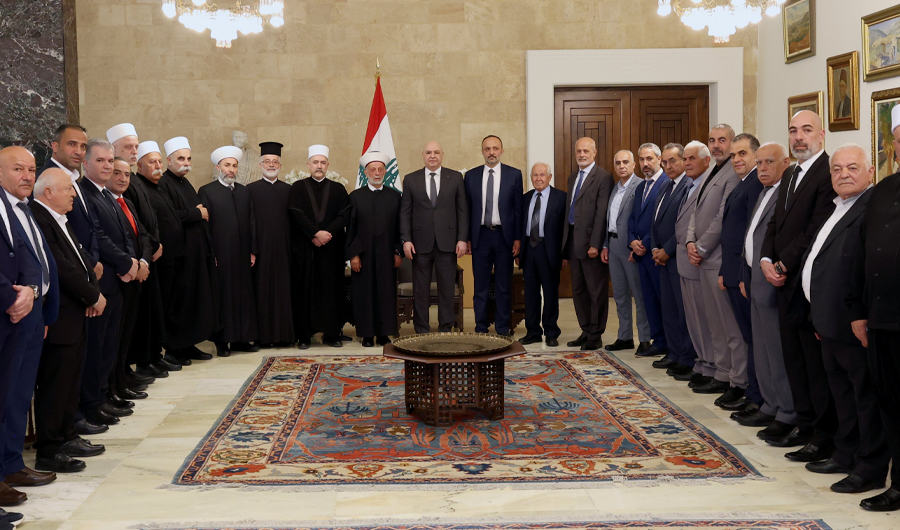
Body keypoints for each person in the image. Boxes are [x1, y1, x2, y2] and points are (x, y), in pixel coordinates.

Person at [801, 144, 887, 494]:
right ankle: (845, 453)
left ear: (870, 172)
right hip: (828, 319)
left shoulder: (872, 208)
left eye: (852, 167)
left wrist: (858, 315)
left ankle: (869, 467)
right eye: (836, 169)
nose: (843, 174)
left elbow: (870, 268)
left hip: (853, 322)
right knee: (842, 394)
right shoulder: (837, 206)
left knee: (865, 398)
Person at [760, 110, 838, 459]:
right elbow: (775, 222)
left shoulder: (827, 172)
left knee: (813, 365)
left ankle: (822, 435)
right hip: (782, 283)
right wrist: (766, 258)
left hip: (806, 283)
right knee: (794, 359)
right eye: (793, 131)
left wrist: (783, 263)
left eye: (807, 130)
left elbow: (815, 229)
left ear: (821, 135)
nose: (799, 137)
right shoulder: (790, 173)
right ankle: (804, 425)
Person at [31, 169, 105, 474]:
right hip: (60, 315)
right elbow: (60, 267)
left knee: (70, 380)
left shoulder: (58, 218)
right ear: (49, 192)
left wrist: (92, 288)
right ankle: (49, 449)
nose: (74, 194)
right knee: (55, 384)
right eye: (68, 189)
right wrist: (92, 295)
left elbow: (80, 258)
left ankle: (67, 435)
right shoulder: (39, 217)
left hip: (75, 313)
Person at [0, 147, 58, 506]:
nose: (27, 176)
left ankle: (12, 464)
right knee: (4, 397)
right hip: (10, 314)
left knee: (20, 396)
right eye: (18, 169)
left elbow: (35, 259)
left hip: (32, 315)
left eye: (32, 169)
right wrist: (13, 297)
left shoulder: (25, 208)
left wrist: (38, 297)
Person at [733, 143, 798, 445]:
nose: (762, 168)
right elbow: (751, 239)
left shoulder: (786, 194)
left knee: (776, 350)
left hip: (772, 281)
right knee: (761, 349)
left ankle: (787, 411)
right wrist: (744, 273)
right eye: (758, 163)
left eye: (769, 162)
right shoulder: (763, 192)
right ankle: (770, 405)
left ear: (786, 162)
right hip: (753, 278)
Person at [852, 107, 900, 512]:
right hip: (881, 319)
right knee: (890, 403)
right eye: (899, 140)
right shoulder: (883, 190)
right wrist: (858, 311)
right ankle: (899, 483)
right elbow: (863, 253)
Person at [685, 125, 748, 403]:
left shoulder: (733, 173)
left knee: (730, 326)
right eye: (712, 140)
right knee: (715, 324)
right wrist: (690, 240)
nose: (716, 145)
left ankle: (737, 378)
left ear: (731, 143)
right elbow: (695, 211)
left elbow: (722, 217)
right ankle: (721, 372)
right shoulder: (712, 170)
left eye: (722, 140)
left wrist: (700, 247)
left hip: (718, 258)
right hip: (703, 260)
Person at [78, 139, 138, 427]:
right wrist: (126, 264)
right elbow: (98, 237)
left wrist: (131, 262)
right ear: (86, 163)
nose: (107, 166)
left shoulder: (106, 194)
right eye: (100, 160)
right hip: (102, 283)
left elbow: (124, 233)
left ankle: (103, 397)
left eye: (110, 161)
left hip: (117, 282)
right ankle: (93, 403)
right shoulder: (85, 193)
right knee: (96, 349)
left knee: (109, 347)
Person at [159, 137, 219, 362]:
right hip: (180, 255)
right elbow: (168, 216)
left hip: (195, 254)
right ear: (169, 161)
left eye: (188, 159)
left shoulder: (185, 183)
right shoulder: (164, 183)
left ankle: (189, 344)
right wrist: (197, 213)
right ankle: (175, 348)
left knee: (194, 301)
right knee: (180, 303)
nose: (186, 163)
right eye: (181, 159)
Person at [716, 133, 764, 412]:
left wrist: (743, 275)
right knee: (746, 336)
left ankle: (755, 395)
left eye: (742, 153)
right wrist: (726, 270)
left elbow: (751, 235)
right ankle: (750, 390)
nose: (736, 159)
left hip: (745, 275)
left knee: (752, 337)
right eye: (733, 155)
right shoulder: (742, 183)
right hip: (733, 272)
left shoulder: (756, 184)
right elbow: (731, 233)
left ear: (756, 155)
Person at [399, 141, 468, 333]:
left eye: (436, 152)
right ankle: (421, 328)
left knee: (446, 288)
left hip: (448, 243)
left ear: (442, 154)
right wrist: (406, 239)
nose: (432, 156)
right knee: (420, 289)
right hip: (419, 244)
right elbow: (405, 212)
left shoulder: (455, 178)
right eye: (428, 152)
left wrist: (462, 238)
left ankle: (446, 327)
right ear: (423, 155)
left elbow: (462, 210)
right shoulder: (410, 179)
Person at [199, 146, 258, 357]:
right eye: (227, 165)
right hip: (221, 254)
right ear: (218, 167)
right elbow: (204, 227)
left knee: (244, 295)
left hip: (242, 254)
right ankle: (223, 341)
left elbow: (251, 221)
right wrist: (211, 253)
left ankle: (242, 339)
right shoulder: (207, 191)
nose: (231, 169)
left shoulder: (244, 191)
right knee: (224, 296)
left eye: (234, 165)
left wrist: (252, 250)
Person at [289, 145, 349, 348]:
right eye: (315, 162)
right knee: (304, 292)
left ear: (328, 165)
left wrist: (326, 234)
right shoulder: (297, 187)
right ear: (308, 165)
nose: (319, 166)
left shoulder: (338, 189)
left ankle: (331, 334)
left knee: (331, 291)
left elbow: (345, 214)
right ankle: (304, 336)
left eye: (323, 163)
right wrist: (315, 233)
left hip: (331, 251)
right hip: (305, 250)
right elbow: (295, 213)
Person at [464, 135, 522, 336]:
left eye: (495, 148)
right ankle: (480, 327)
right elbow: (467, 210)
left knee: (503, 285)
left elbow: (518, 210)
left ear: (502, 151)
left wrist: (517, 238)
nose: (491, 152)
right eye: (487, 149)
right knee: (480, 285)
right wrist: (468, 238)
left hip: (504, 237)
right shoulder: (471, 176)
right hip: (480, 236)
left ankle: (502, 328)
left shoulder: (514, 175)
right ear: (482, 151)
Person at [106, 155, 152, 405]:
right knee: (113, 339)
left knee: (125, 337)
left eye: (127, 174)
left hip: (135, 276)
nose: (123, 178)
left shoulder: (126, 202)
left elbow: (142, 234)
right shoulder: (104, 202)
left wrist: (143, 262)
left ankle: (122, 380)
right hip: (119, 278)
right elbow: (108, 242)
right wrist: (130, 266)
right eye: (117, 173)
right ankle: (112, 387)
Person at [649, 143, 696, 378]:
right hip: (663, 258)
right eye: (665, 162)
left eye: (673, 161)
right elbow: (655, 221)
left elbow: (684, 225)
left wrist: (667, 250)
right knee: (668, 309)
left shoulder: (688, 186)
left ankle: (687, 357)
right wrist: (655, 248)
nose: (668, 166)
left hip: (678, 257)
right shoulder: (665, 186)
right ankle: (674, 352)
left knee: (683, 311)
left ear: (684, 161)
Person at [346, 151, 402, 347]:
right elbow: (350, 229)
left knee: (385, 294)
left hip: (387, 254)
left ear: (385, 171)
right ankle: (367, 335)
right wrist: (353, 254)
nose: (376, 173)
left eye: (380, 169)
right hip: (363, 255)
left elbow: (400, 227)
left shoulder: (395, 197)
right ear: (366, 172)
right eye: (372, 170)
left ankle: (384, 334)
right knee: (364, 294)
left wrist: (397, 251)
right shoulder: (355, 197)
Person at [564, 137, 614, 351]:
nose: (581, 154)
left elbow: (602, 213)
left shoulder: (603, 177)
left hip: (591, 244)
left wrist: (596, 244)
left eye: (586, 151)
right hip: (574, 243)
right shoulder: (573, 177)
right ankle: (585, 330)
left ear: (594, 153)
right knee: (579, 290)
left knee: (596, 291)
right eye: (578, 151)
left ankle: (596, 334)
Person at [126, 141, 169, 378]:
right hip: (140, 258)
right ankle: (144, 360)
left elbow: (150, 219)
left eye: (159, 162)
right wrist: (150, 246)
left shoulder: (143, 183)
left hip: (150, 255)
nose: (157, 166)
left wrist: (156, 242)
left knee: (152, 312)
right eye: (153, 162)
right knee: (142, 315)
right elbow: (137, 223)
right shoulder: (133, 184)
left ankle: (152, 356)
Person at [675, 141, 714, 389]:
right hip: (684, 258)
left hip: (699, 259)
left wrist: (696, 246)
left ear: (706, 161)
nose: (687, 163)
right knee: (693, 319)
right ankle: (701, 363)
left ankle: (710, 365)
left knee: (704, 319)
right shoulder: (688, 185)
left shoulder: (707, 184)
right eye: (685, 158)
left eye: (692, 158)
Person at [246, 142, 294, 346]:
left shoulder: (290, 190)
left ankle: (284, 336)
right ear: (260, 165)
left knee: (284, 292)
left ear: (280, 166)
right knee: (261, 292)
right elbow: (248, 222)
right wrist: (252, 249)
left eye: (275, 162)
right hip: (261, 251)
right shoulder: (250, 190)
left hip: (284, 250)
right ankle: (262, 337)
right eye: (267, 161)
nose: (271, 165)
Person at [605, 149, 650, 353]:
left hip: (631, 248)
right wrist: (605, 245)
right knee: (620, 295)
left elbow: (642, 218)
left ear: (633, 165)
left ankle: (645, 338)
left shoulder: (641, 186)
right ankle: (625, 336)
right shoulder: (615, 188)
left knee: (639, 295)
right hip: (613, 246)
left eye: (625, 162)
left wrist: (636, 244)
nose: (621, 166)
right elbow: (610, 219)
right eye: (618, 163)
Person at [517, 162, 566, 347]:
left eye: (542, 175)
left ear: (549, 177)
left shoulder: (561, 198)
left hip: (549, 250)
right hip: (529, 249)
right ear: (531, 178)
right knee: (530, 293)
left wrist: (565, 254)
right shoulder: (525, 198)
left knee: (550, 293)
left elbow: (565, 230)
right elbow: (520, 225)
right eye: (535, 175)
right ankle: (533, 332)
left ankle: (551, 332)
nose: (538, 178)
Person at [626, 143, 668, 356]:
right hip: (641, 254)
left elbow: (661, 221)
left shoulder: (666, 183)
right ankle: (658, 340)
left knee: (663, 300)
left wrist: (645, 243)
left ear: (659, 159)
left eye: (649, 159)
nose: (645, 163)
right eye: (642, 159)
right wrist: (632, 241)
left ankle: (670, 344)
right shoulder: (641, 187)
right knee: (648, 299)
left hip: (657, 253)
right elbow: (633, 218)